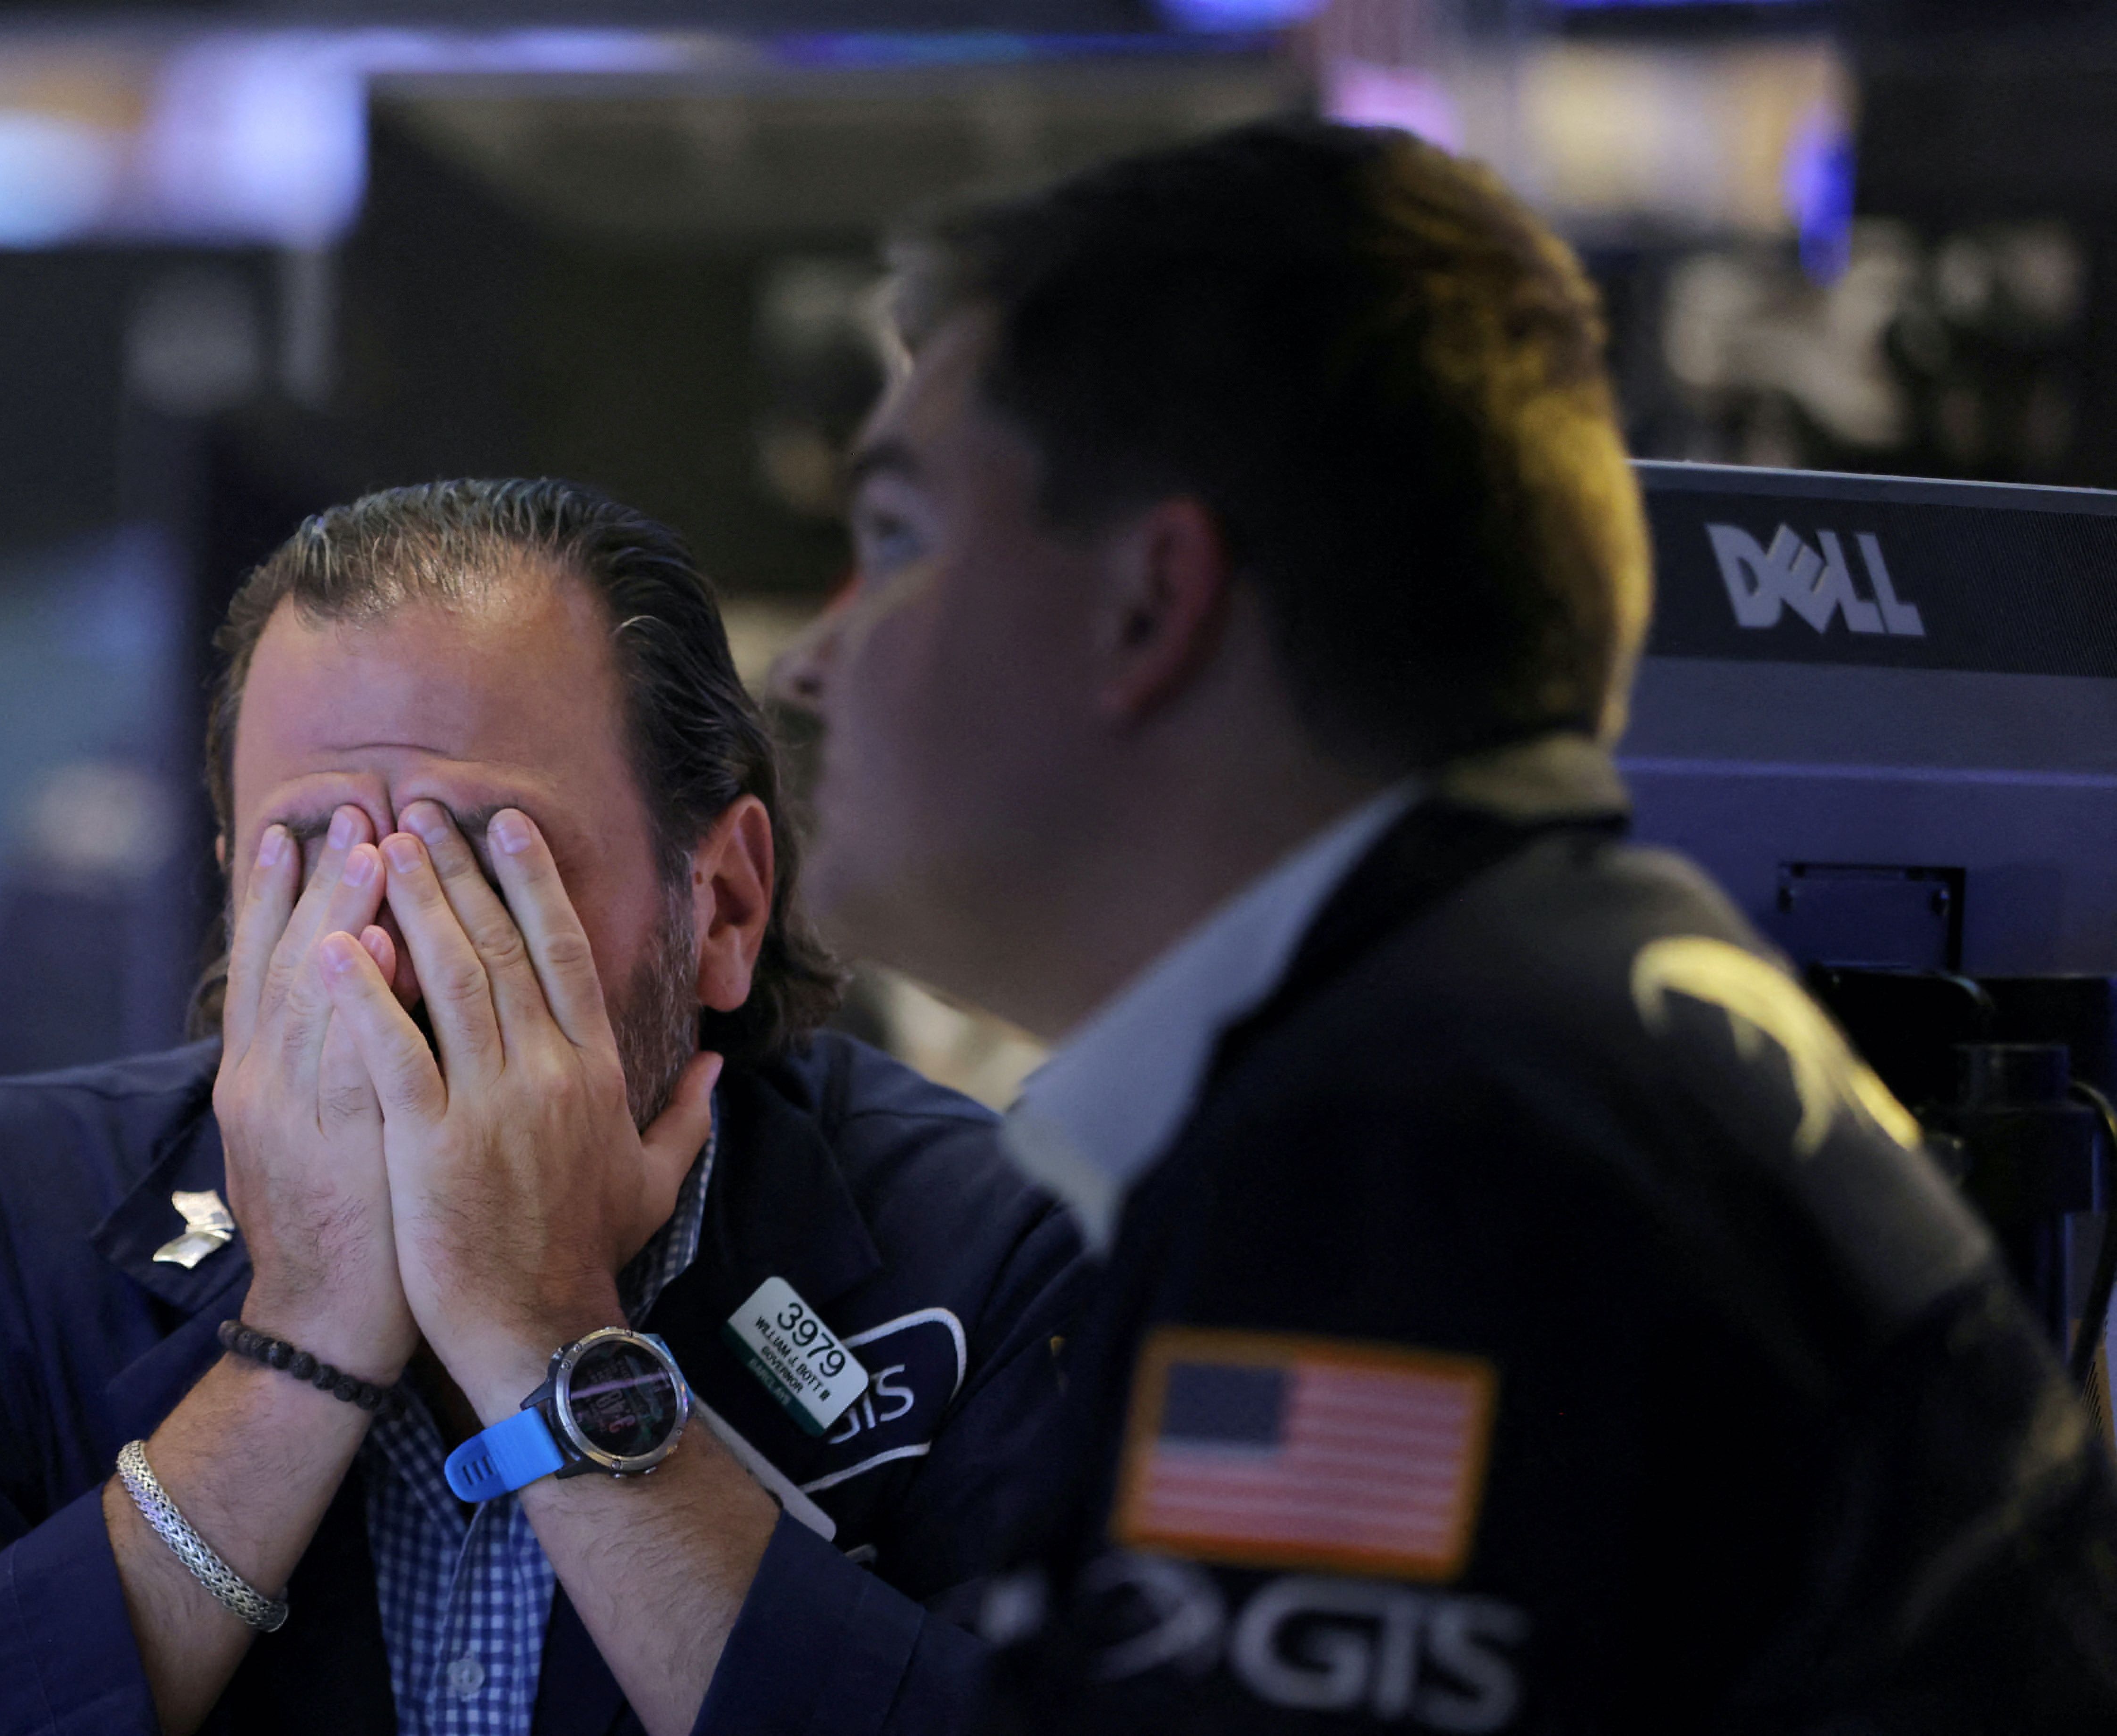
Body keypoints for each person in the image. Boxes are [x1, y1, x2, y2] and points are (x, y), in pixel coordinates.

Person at [768, 120, 2117, 1732]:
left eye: (899, 542)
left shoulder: (1397, 1153)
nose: (807, 662)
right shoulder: (1512, 1038)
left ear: (1148, 605)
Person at [0, 478, 1089, 1736]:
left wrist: (545, 1334)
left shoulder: (1002, 1246)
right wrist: (300, 1344)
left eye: (483, 862)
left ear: (724, 906)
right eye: (312, 862)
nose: (393, 958)